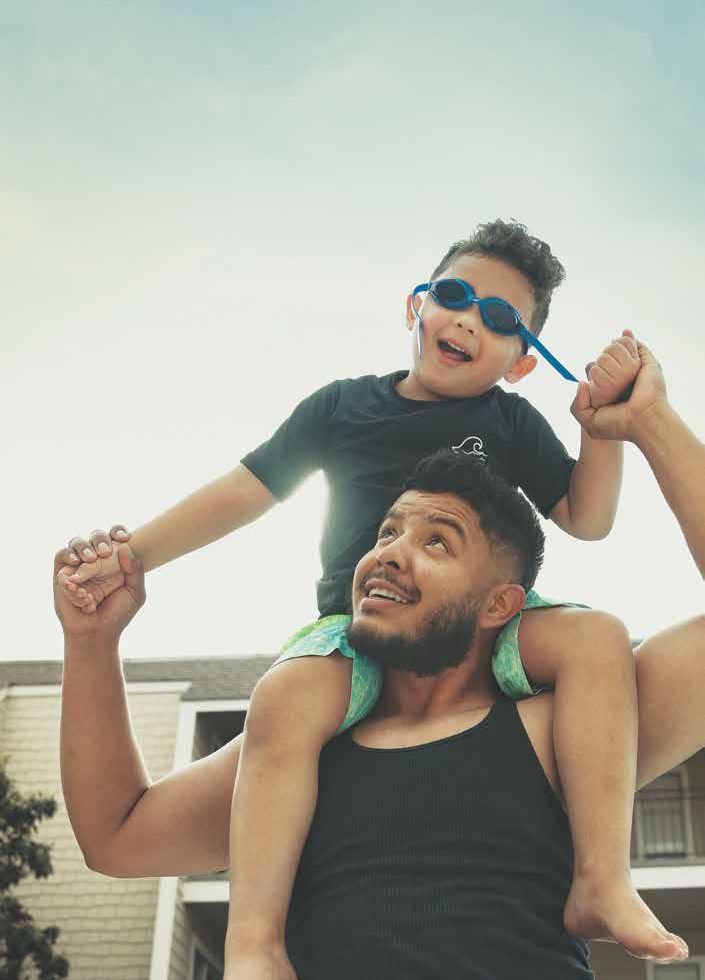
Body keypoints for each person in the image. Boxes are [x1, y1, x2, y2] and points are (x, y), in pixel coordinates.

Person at [56, 219, 655, 976]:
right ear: (415, 306)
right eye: (454, 295)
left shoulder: (510, 421)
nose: (470, 319)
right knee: (285, 696)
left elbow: (586, 517)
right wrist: (131, 555)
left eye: (501, 317)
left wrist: (604, 427)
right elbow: (242, 491)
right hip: (352, 628)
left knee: (598, 634)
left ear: (521, 364)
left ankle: (602, 878)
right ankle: (254, 943)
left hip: (480, 625)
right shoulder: (342, 407)